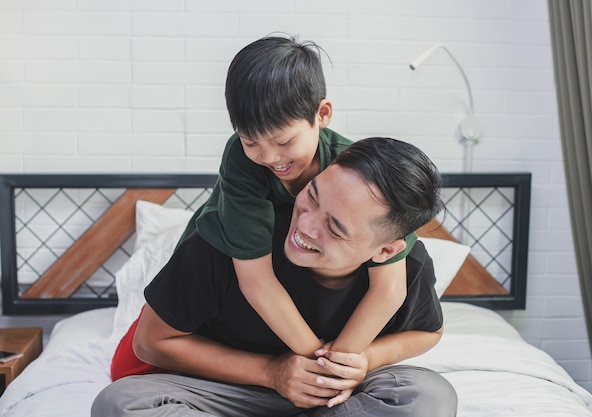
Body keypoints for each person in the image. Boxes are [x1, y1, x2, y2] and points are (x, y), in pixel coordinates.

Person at [110, 34, 418, 382]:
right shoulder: (242, 165)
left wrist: (339, 365)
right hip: (219, 280)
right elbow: (256, 281)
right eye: (250, 140)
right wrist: (313, 360)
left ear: (323, 114)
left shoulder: (357, 175)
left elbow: (389, 288)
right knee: (127, 367)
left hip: (286, 300)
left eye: (284, 141)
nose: (269, 157)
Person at [91, 137, 457, 416]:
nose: (306, 226)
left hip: (335, 399)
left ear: (386, 250)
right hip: (232, 391)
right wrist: (272, 372)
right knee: (121, 403)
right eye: (312, 196)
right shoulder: (233, 238)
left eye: (335, 227)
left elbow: (429, 331)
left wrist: (366, 359)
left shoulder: (408, 268)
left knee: (429, 396)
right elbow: (151, 343)